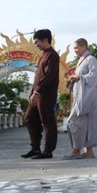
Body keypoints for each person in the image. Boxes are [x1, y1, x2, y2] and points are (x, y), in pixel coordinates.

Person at [22, 29, 60, 159]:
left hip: (45, 95)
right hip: (36, 95)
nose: (36, 44)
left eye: (37, 41)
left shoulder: (52, 56)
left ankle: (48, 151)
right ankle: (35, 148)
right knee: (29, 119)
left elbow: (48, 76)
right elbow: (37, 77)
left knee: (48, 122)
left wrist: (37, 91)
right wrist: (32, 93)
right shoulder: (43, 56)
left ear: (45, 40)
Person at [63, 38, 97, 160]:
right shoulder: (81, 60)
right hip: (80, 96)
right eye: (74, 48)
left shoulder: (91, 59)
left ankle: (76, 149)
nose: (75, 50)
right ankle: (88, 151)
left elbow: (94, 77)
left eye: (76, 48)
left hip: (87, 97)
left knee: (73, 122)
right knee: (84, 124)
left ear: (84, 46)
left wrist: (78, 77)